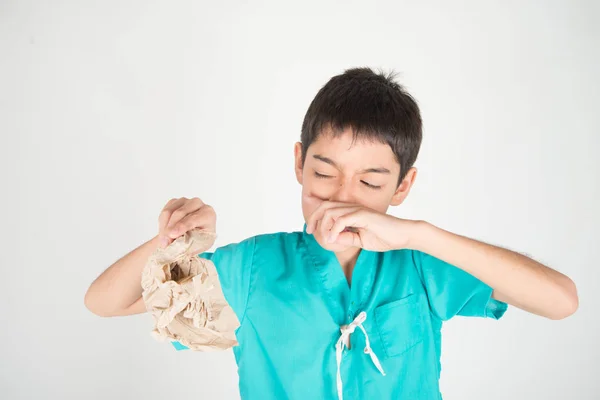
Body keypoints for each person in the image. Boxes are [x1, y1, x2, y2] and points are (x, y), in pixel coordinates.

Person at [84, 67, 578, 400]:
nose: (343, 197)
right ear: (299, 163)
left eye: (370, 182)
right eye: (324, 173)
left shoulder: (420, 261)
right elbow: (104, 302)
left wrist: (420, 234)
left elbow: (561, 301)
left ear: (403, 186)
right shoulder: (254, 268)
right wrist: (175, 241)